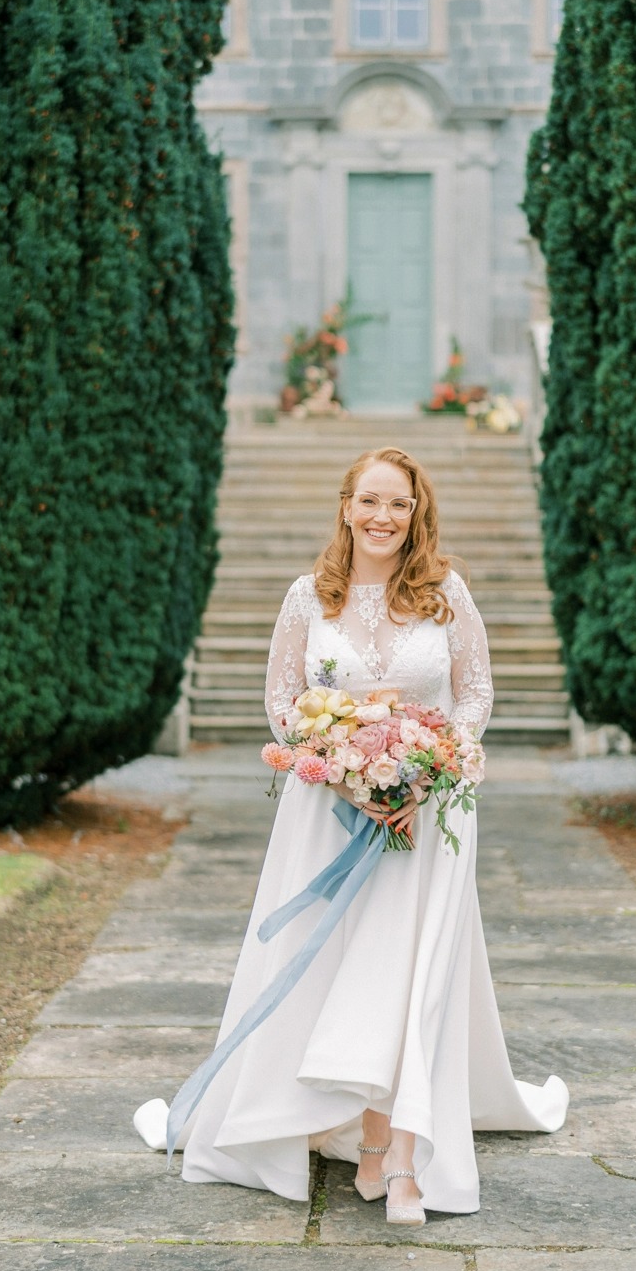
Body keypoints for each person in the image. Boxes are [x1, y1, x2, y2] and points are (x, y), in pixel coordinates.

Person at [134, 446, 568, 1221]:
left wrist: (427, 773)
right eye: (370, 501)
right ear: (345, 506)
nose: (383, 517)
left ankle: (398, 1156)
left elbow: (475, 695)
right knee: (335, 970)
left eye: (399, 504)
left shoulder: (446, 593)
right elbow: (281, 697)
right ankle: (360, 1142)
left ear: (416, 514)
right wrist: (337, 768)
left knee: (409, 974)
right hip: (327, 819)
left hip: (426, 819)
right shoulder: (309, 597)